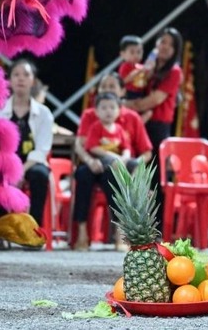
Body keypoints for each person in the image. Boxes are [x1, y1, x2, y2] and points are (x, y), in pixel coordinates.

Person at [73, 72, 153, 251]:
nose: (107, 90)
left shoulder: (132, 117)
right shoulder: (90, 115)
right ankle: (82, 232)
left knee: (117, 173)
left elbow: (146, 152)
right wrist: (89, 160)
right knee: (83, 174)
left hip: (120, 168)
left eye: (112, 87)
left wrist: (131, 166)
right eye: (104, 87)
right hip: (94, 164)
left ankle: (121, 232)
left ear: (123, 91)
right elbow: (81, 144)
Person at [124, 27, 183, 224]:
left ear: (176, 50)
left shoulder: (174, 72)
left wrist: (124, 105)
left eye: (170, 44)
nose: (165, 46)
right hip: (140, 124)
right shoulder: (147, 67)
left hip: (158, 128)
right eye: (162, 41)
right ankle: (135, 225)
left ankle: (156, 228)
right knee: (137, 174)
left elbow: (154, 100)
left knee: (156, 177)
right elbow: (130, 84)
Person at [0, 59, 53, 234]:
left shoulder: (44, 114)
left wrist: (21, 171)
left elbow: (42, 149)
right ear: (9, 80)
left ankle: (34, 230)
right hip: (5, 161)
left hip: (31, 163)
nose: (21, 79)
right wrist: (10, 170)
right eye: (16, 74)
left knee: (40, 175)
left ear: (33, 81)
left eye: (26, 75)